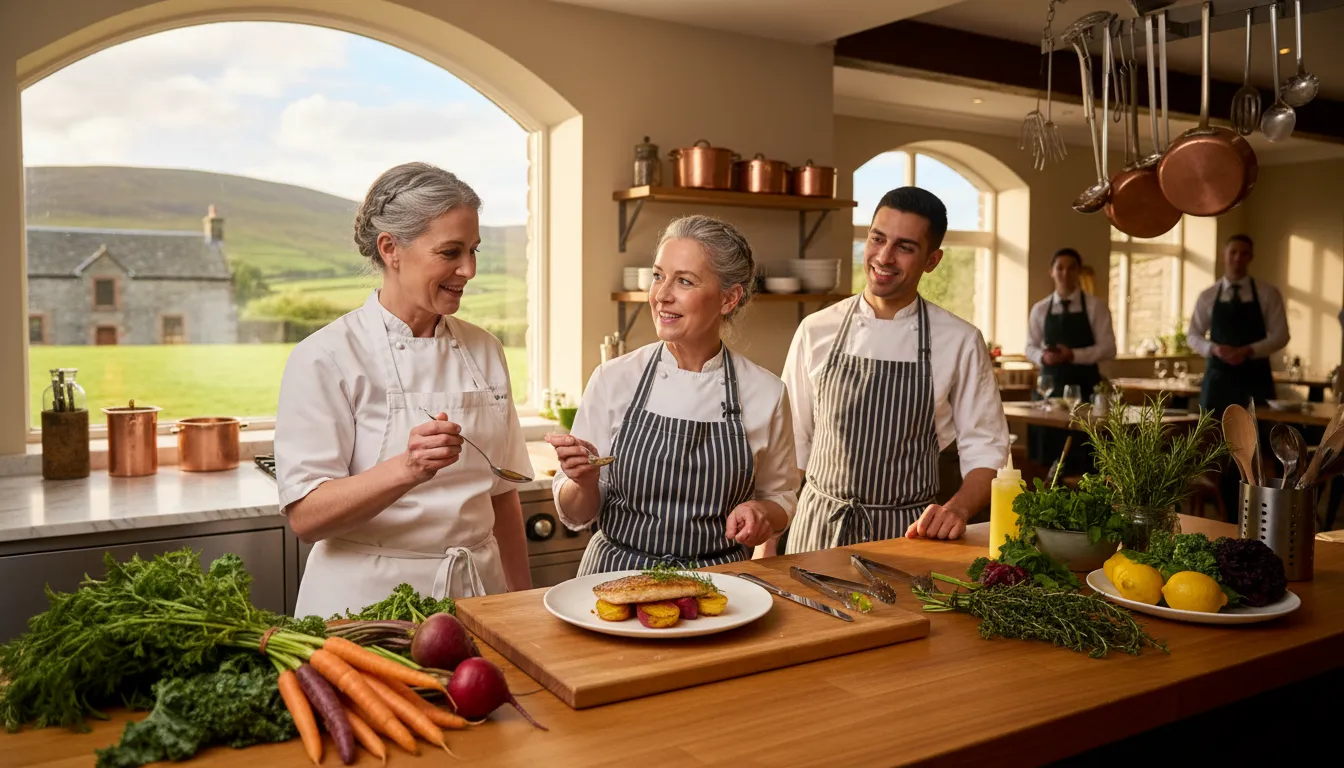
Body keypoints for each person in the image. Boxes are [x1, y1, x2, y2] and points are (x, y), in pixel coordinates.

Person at [275, 162, 533, 618]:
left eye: (474, 250)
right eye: (450, 252)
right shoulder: (327, 357)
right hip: (364, 610)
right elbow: (306, 517)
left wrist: (521, 606)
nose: (468, 269)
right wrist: (407, 468)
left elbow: (502, 491)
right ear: (390, 248)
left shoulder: (485, 349)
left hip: (480, 598)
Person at [545, 214, 798, 575]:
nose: (662, 295)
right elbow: (577, 513)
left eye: (684, 281)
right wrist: (583, 481)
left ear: (729, 298)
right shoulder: (614, 379)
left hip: (717, 587)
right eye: (658, 276)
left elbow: (781, 499)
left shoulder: (766, 393)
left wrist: (762, 514)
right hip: (615, 579)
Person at [782, 187, 1010, 551]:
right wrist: (766, 547)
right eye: (877, 238)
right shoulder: (816, 330)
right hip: (817, 532)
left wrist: (957, 510)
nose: (884, 257)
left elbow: (987, 452)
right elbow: (790, 447)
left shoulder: (960, 340)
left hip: (908, 537)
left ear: (932, 260)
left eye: (905, 247)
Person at [1024, 247, 1117, 476]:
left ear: (1079, 272)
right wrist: (1042, 356)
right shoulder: (1040, 309)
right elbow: (1029, 347)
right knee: (1049, 459)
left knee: (1085, 460)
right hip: (1050, 390)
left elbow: (1109, 348)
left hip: (1085, 391)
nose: (1065, 273)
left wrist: (1073, 355)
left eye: (1071, 268)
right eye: (1060, 268)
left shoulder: (1096, 307)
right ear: (1052, 272)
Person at [1188, 234, 1289, 416]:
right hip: (1218, 380)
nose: (1237, 258)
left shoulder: (1268, 293)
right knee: (1213, 438)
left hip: (1256, 379)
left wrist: (1250, 349)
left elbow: (1281, 335)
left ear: (1251, 257)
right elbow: (1193, 335)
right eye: (1233, 252)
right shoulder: (1207, 295)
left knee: (1259, 438)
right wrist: (1214, 349)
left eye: (1244, 253)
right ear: (1223, 255)